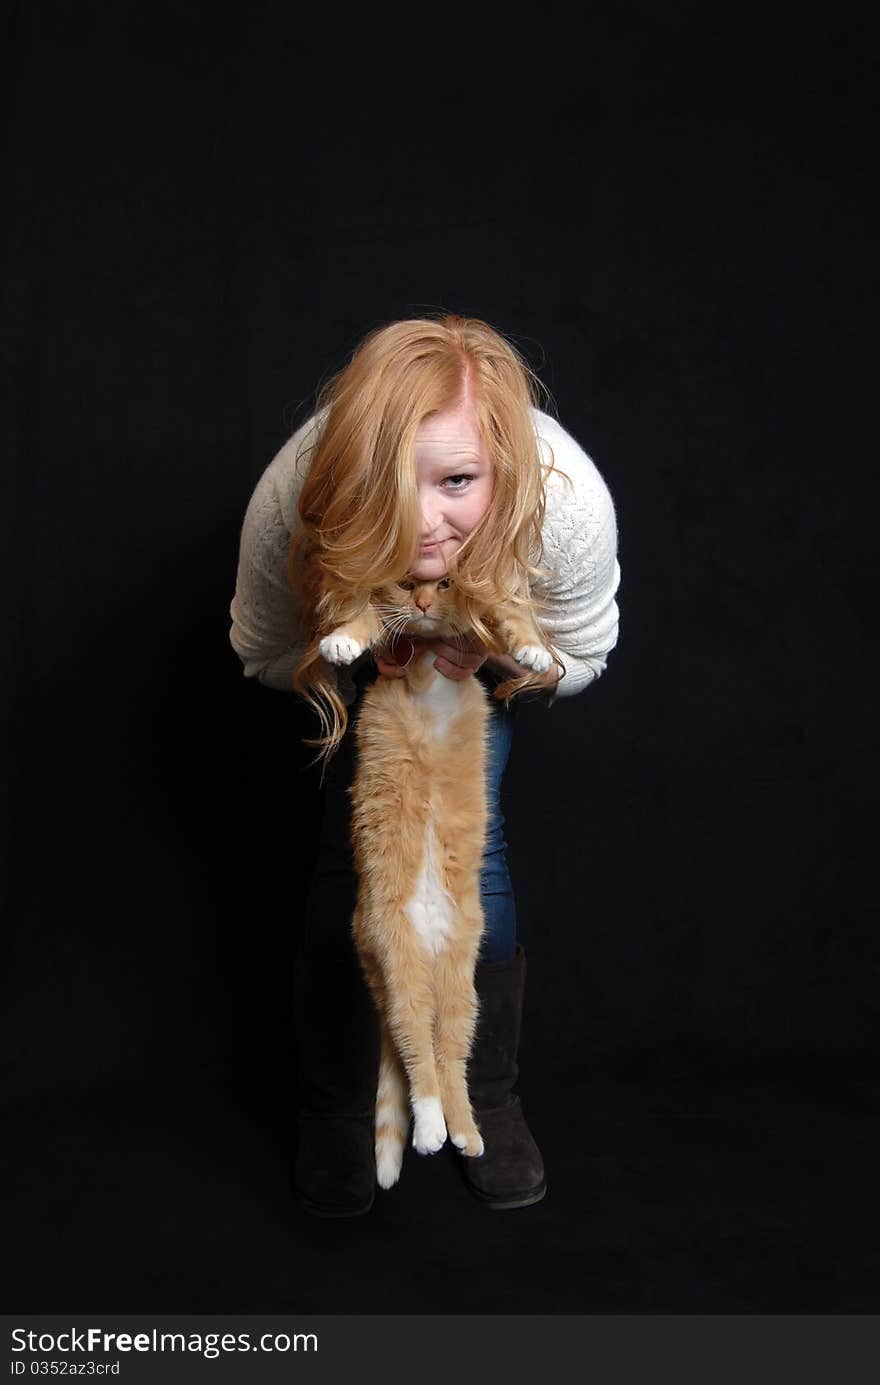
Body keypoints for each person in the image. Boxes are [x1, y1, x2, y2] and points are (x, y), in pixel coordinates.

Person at [229, 315, 621, 1215]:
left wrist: (498, 655)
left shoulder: (566, 504)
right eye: (388, 483)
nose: (422, 520)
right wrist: (360, 655)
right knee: (357, 854)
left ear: (507, 473)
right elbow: (257, 648)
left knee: (470, 854)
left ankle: (484, 1092)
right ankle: (337, 1099)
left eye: (456, 480)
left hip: (485, 647)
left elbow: (587, 652)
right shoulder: (296, 490)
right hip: (354, 637)